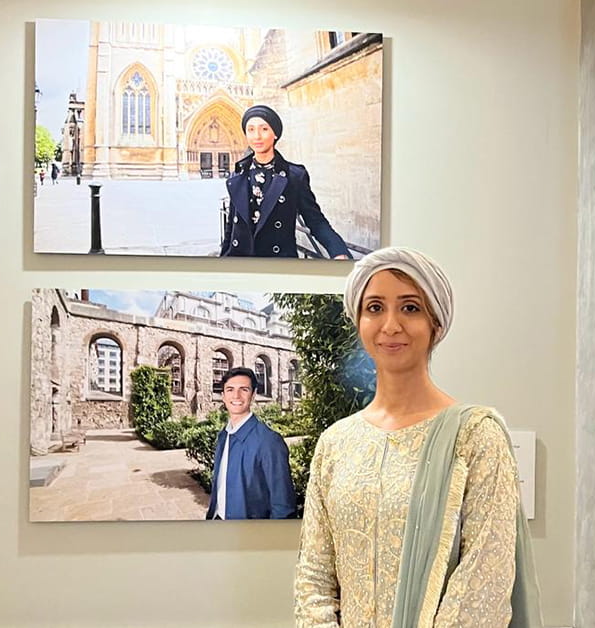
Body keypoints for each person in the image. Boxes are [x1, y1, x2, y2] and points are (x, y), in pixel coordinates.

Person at [294, 247, 542, 627]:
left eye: (410, 308)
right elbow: (314, 576)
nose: (390, 325)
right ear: (358, 321)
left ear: (436, 325)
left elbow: (484, 585)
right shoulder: (336, 444)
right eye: (374, 308)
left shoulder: (475, 437)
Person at [220, 105, 350, 260]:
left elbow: (316, 221)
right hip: (240, 267)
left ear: (275, 134)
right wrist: (222, 266)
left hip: (279, 268)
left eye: (264, 129)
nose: (257, 136)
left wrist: (338, 251)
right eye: (251, 130)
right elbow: (231, 229)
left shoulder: (294, 176)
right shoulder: (237, 176)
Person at [206, 366, 297, 520]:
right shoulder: (223, 436)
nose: (236, 395)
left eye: (244, 389)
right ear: (223, 396)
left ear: (253, 395)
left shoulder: (269, 442)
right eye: (230, 389)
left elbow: (283, 507)